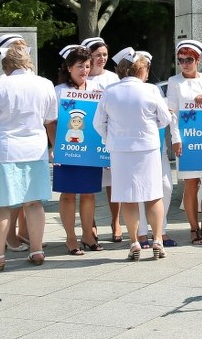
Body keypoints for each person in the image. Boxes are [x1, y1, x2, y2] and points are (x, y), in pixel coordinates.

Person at [0, 36, 57, 271]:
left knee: (1, 205)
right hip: (35, 149)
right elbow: (50, 118)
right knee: (34, 203)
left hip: (4, 150)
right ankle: (37, 250)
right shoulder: (45, 84)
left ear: (7, 64)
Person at [93, 49, 171, 261]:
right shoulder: (151, 91)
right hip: (147, 148)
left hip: (120, 150)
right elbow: (165, 119)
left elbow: (98, 123)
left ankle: (135, 241)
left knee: (128, 198)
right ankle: (157, 240)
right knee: (153, 195)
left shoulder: (110, 91)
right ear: (140, 69)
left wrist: (112, 137)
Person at [48, 44, 103, 255]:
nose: (85, 71)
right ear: (69, 67)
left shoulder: (96, 91)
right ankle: (71, 238)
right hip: (67, 151)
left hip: (90, 151)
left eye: (87, 66)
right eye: (80, 66)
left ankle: (88, 235)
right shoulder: (59, 91)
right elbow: (50, 122)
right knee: (68, 194)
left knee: (89, 194)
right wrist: (56, 148)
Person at [167, 39, 202, 245]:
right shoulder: (174, 82)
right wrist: (176, 138)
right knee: (191, 184)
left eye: (189, 59)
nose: (185, 64)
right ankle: (193, 228)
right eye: (181, 60)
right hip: (187, 138)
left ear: (197, 60)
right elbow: (172, 112)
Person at [81, 36, 123, 242]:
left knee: (112, 182)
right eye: (98, 55)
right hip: (87, 135)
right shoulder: (83, 78)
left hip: (108, 134)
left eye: (105, 55)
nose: (102, 58)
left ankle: (116, 222)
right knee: (89, 182)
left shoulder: (113, 78)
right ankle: (91, 224)